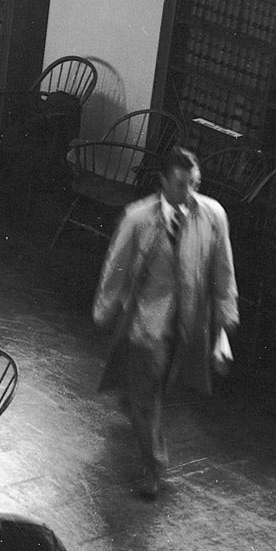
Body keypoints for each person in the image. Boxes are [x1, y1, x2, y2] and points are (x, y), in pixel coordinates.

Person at [94, 147, 239, 500]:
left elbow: (223, 271)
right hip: (147, 323)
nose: (189, 193)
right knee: (147, 397)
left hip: (187, 324)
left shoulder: (212, 216)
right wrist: (105, 309)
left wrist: (225, 324)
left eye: (194, 184)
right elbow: (116, 266)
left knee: (154, 391)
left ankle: (136, 402)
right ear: (163, 182)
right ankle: (153, 467)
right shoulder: (138, 218)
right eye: (181, 185)